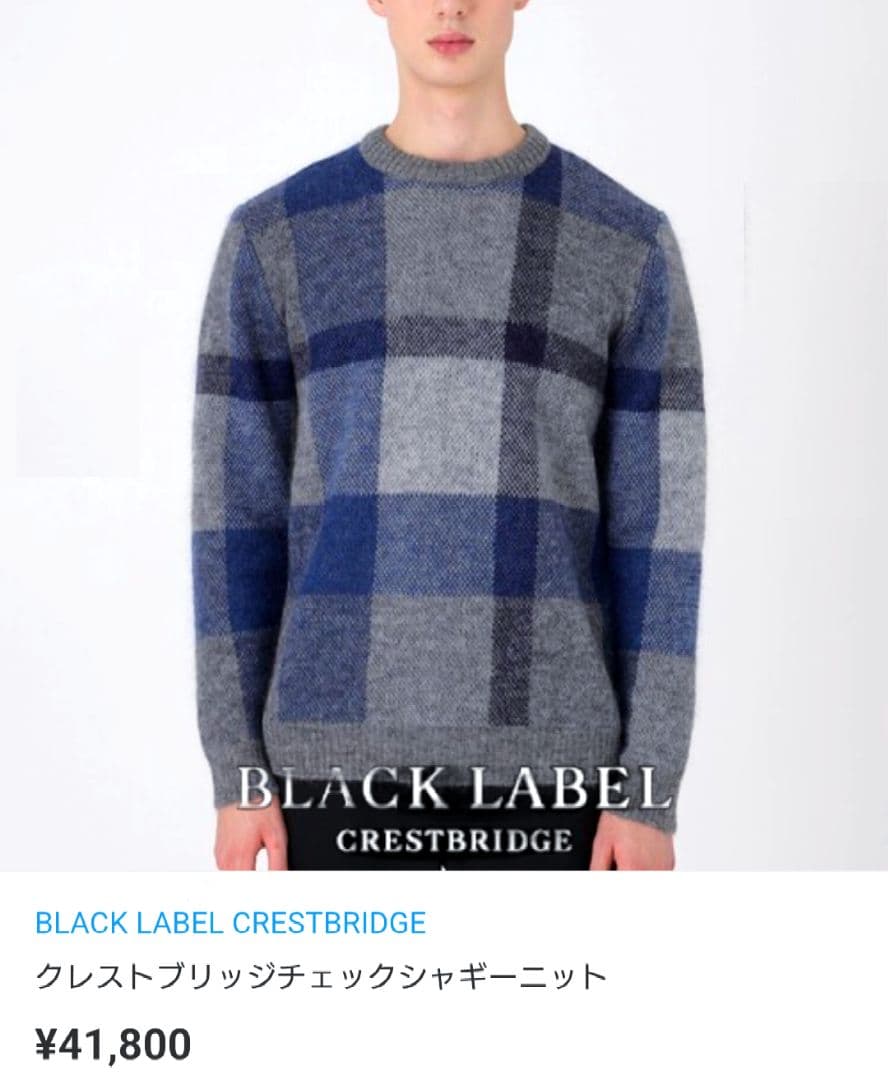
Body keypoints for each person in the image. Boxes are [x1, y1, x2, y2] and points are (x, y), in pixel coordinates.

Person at [191, 0, 706, 871]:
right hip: (330, 779)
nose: (450, 6)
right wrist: (238, 773)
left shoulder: (624, 241)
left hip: (558, 788)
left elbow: (659, 539)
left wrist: (648, 788)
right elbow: (234, 522)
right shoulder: (277, 237)